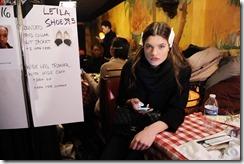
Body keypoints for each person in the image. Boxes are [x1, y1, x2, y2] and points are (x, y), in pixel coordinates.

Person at [100, 22, 192, 160]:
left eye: (161, 46)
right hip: (129, 125)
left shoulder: (182, 70)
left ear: (170, 45)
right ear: (143, 45)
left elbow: (176, 111)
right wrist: (130, 101)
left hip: (161, 126)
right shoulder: (130, 66)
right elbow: (121, 100)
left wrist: (150, 131)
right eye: (149, 46)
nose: (154, 53)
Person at [83, 37, 130, 116]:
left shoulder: (106, 66)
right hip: (126, 107)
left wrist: (87, 77)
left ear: (112, 49)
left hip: (108, 107)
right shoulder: (131, 65)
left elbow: (98, 92)